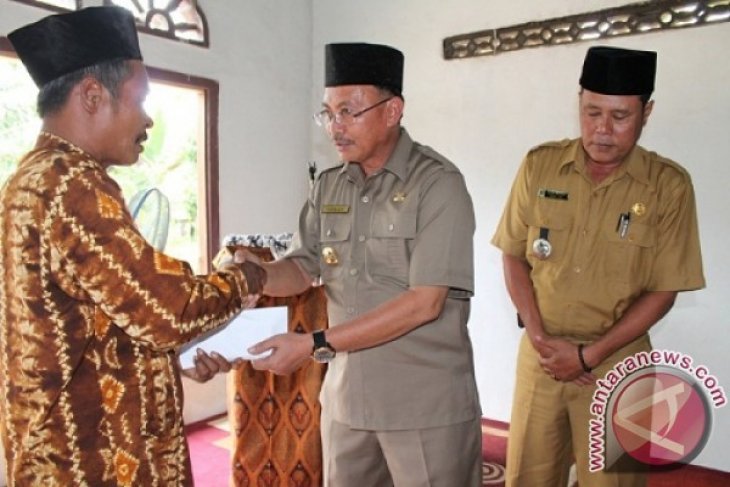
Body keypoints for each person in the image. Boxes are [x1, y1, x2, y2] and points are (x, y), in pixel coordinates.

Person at [0, 7, 266, 486]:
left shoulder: (36, 177)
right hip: (93, 461)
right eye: (140, 99)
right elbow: (169, 310)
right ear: (91, 95)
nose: (147, 119)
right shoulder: (70, 184)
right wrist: (248, 274)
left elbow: (104, 318)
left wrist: (175, 361)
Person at [240, 43, 482, 486]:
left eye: (349, 111)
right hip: (347, 403)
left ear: (392, 111)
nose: (336, 127)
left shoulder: (438, 185)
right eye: (329, 113)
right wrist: (254, 274)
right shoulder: (329, 186)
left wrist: (314, 344)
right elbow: (302, 266)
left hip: (423, 407)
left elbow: (424, 303)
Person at [491, 45, 705, 487]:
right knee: (528, 478)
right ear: (579, 103)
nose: (602, 130)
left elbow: (665, 290)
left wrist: (589, 355)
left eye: (620, 117)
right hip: (543, 357)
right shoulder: (541, 165)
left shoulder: (668, 186)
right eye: (592, 113)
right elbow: (513, 253)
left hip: (617, 366)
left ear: (646, 112)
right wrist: (538, 335)